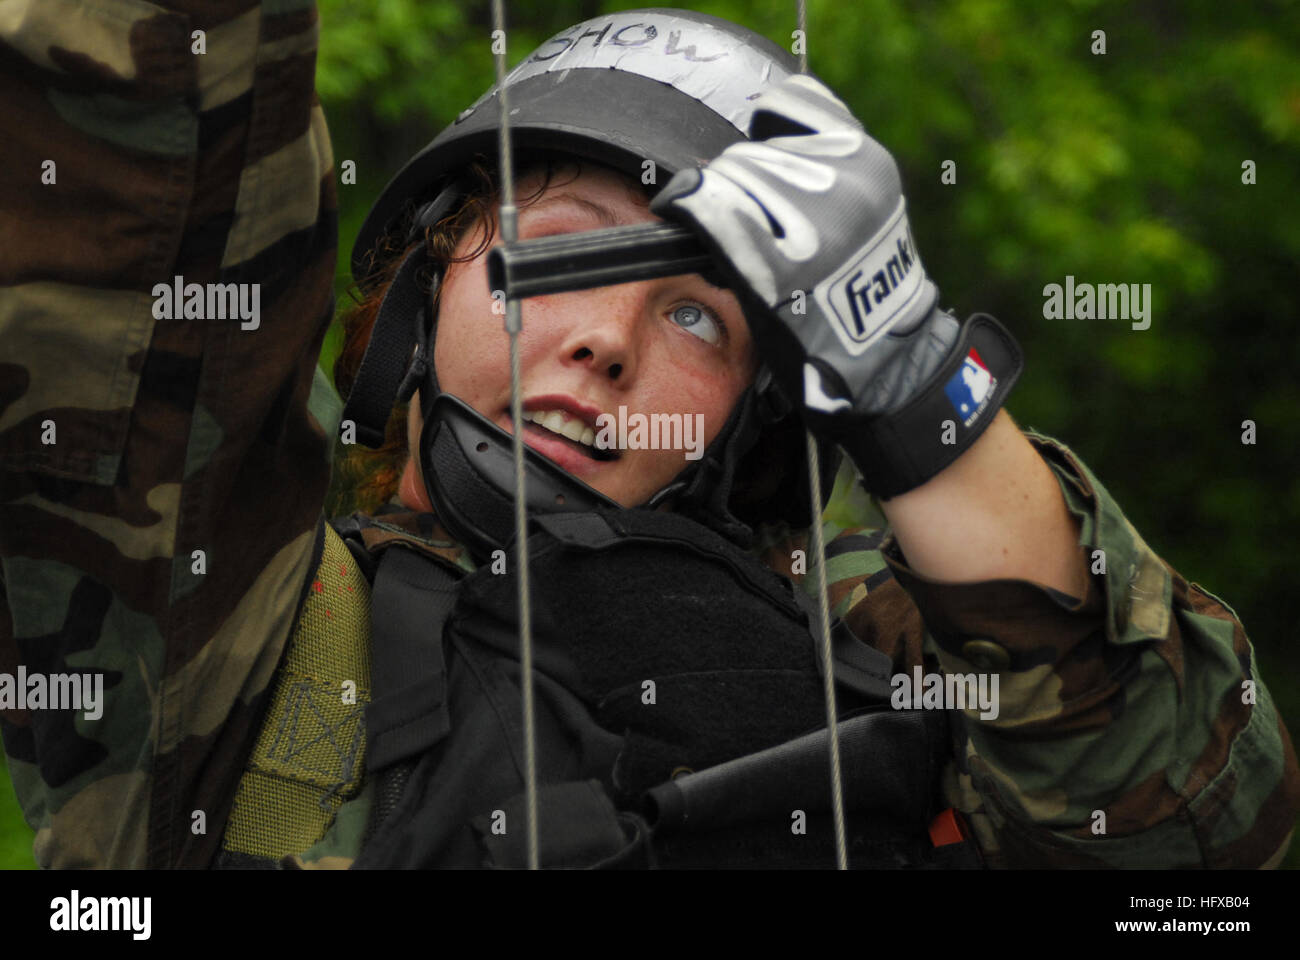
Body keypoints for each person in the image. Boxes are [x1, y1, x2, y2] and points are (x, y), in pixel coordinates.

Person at [0, 4, 1295, 870]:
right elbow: (135, 199)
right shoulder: (231, 622)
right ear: (416, 293)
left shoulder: (879, 648)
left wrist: (911, 377)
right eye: (556, 256)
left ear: (754, 427)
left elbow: (1191, 828)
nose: (608, 341)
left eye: (696, 314)